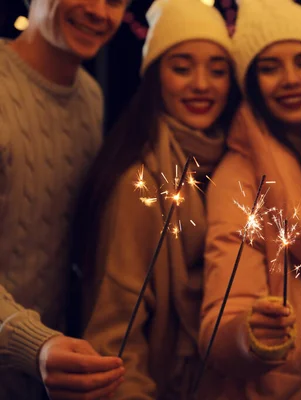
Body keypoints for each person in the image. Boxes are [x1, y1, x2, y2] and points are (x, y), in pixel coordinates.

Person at [73, 0, 240, 398]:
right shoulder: (142, 184)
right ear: (155, 77)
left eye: (218, 71)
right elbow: (114, 338)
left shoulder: (230, 165)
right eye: (182, 67)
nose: (202, 84)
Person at [198, 0, 301, 398]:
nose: (291, 79)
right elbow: (223, 315)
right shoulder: (239, 178)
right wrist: (249, 333)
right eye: (269, 68)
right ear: (249, 82)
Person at [0, 0, 128, 398]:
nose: (99, 12)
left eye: (115, 1)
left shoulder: (90, 97)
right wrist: (34, 342)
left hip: (43, 376)